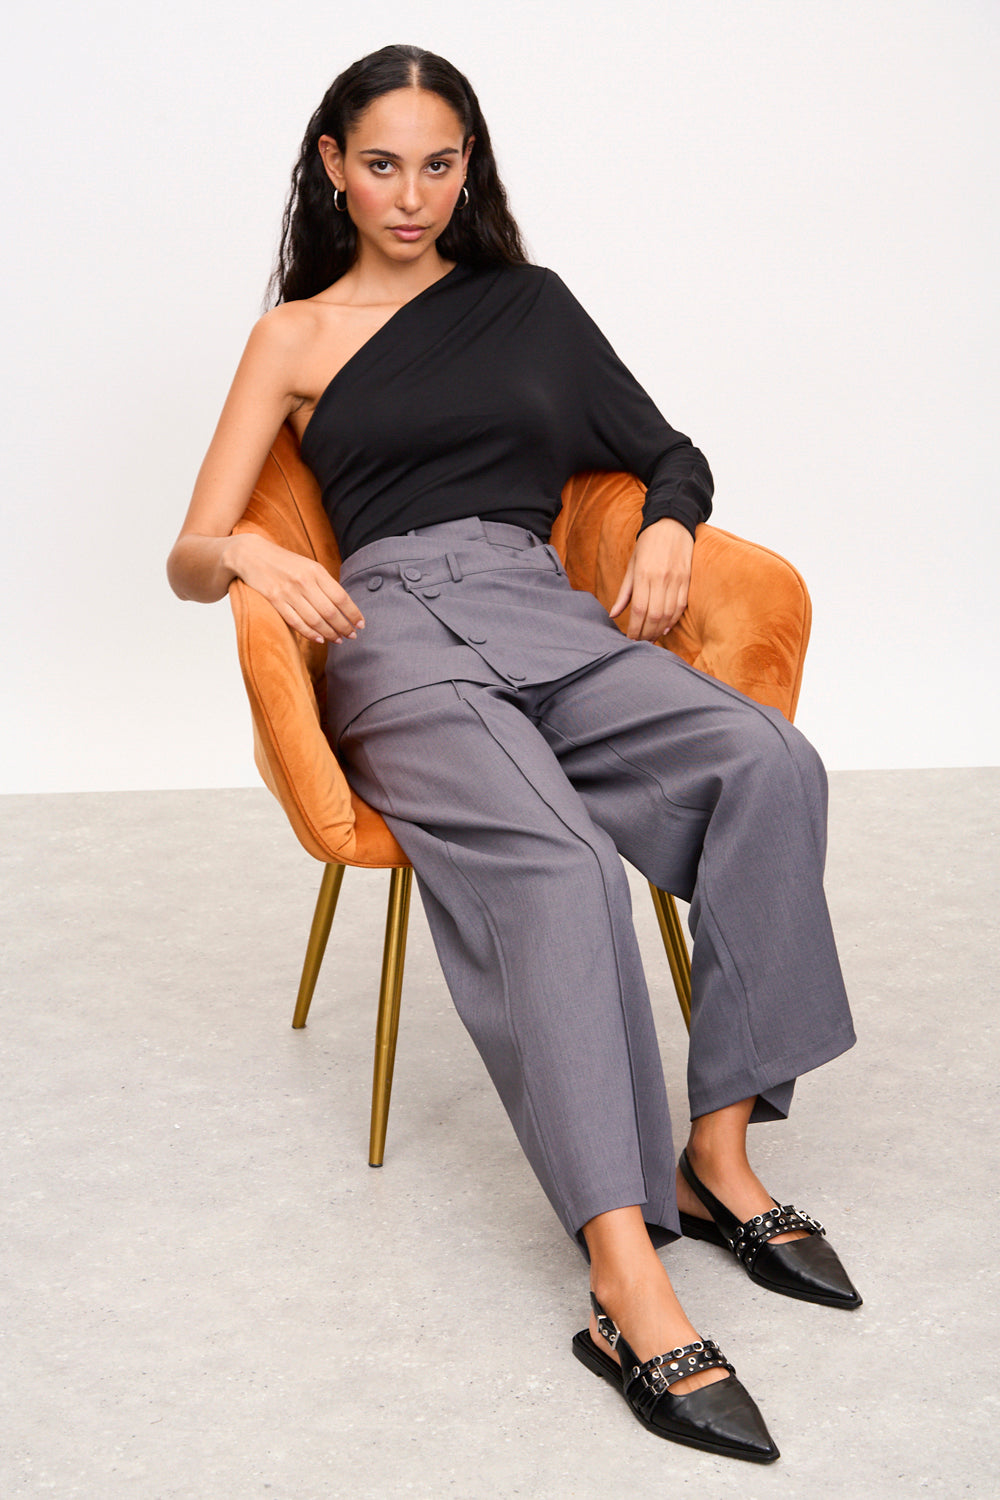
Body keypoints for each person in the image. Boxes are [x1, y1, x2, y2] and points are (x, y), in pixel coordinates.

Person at [167, 44, 861, 1465]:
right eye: (380, 165)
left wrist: (666, 524)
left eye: (438, 165)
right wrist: (246, 551)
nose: (409, 195)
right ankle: (626, 1281)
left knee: (770, 765)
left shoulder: (529, 305)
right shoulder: (293, 337)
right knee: (558, 872)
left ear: (467, 167)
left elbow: (667, 449)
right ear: (332, 167)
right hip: (392, 631)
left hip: (542, 605)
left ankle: (718, 1153)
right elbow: (188, 551)